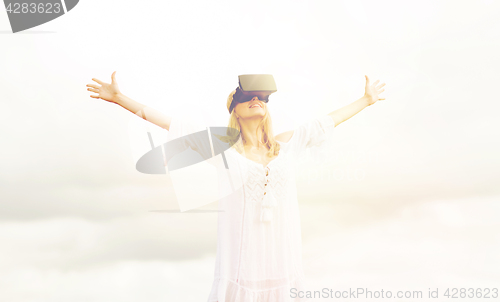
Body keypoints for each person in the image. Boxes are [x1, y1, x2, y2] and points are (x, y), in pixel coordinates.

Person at [86, 72, 386, 301]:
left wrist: (367, 100)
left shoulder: (287, 144)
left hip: (282, 258)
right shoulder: (224, 151)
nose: (257, 100)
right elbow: (172, 124)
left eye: (263, 98)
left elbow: (326, 122)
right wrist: (119, 98)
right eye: (248, 97)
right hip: (242, 263)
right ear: (235, 108)